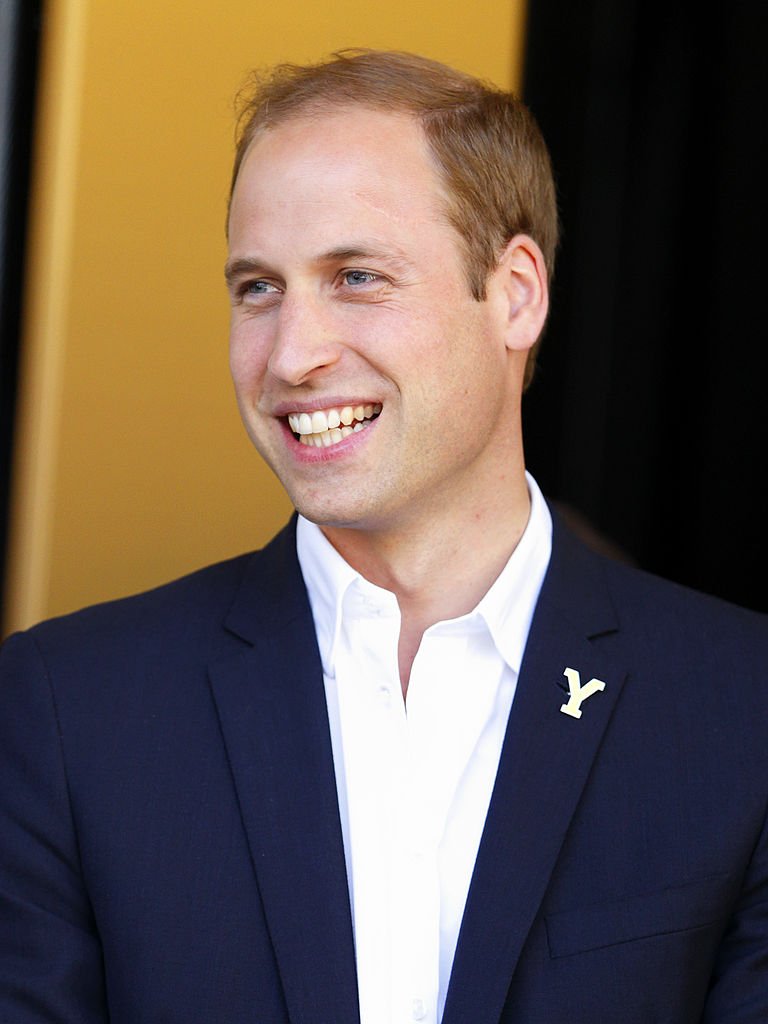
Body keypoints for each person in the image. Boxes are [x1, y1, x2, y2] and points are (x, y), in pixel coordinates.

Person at [1, 49, 767, 1024]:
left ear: (517, 293)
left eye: (356, 275)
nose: (292, 354)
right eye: (257, 288)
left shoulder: (741, 709)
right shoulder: (69, 711)